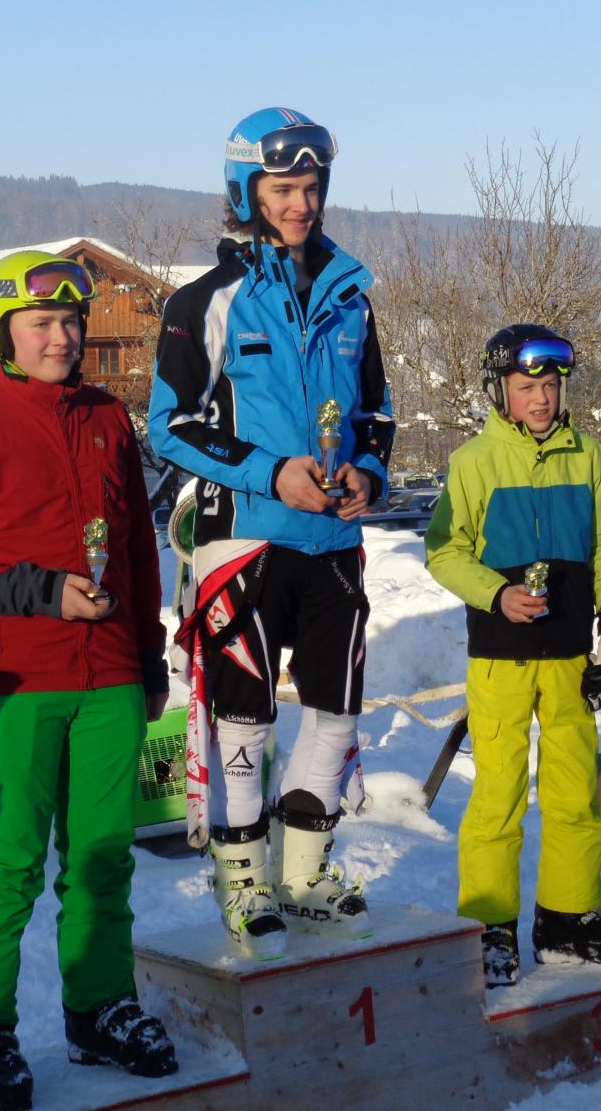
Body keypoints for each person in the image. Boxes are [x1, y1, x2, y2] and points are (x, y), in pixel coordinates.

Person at [0, 249, 177, 1110]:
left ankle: (100, 1008)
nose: (62, 338)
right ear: (2, 333)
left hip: (109, 676)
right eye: (41, 324)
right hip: (10, 677)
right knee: (8, 861)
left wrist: (148, 656)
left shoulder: (107, 418)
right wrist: (41, 591)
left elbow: (136, 550)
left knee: (101, 857)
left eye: (70, 322)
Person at [148, 107, 393, 962]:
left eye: (312, 186)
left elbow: (376, 414)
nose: (301, 203)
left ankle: (306, 876)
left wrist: (368, 474)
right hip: (244, 540)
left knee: (335, 714)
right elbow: (169, 426)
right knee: (246, 722)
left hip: (332, 544)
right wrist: (268, 471)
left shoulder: (351, 297)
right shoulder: (203, 302)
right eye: (284, 188)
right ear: (245, 189)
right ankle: (245, 884)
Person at [424, 324, 601, 988]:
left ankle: (566, 919)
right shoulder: (474, 462)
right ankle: (490, 927)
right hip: (502, 656)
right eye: (526, 387)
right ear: (501, 392)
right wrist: (496, 593)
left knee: (575, 794)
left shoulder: (587, 456)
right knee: (499, 796)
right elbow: (444, 552)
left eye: (549, 386)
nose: (541, 399)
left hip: (570, 654)